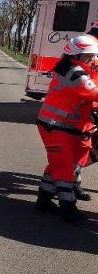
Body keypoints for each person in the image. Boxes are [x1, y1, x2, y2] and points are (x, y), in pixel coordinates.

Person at [36, 34, 98, 221]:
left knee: (69, 160)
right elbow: (93, 91)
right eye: (89, 55)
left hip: (67, 126)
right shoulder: (74, 71)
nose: (93, 59)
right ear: (78, 54)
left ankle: (44, 199)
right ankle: (67, 207)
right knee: (63, 164)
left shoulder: (78, 68)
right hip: (55, 126)